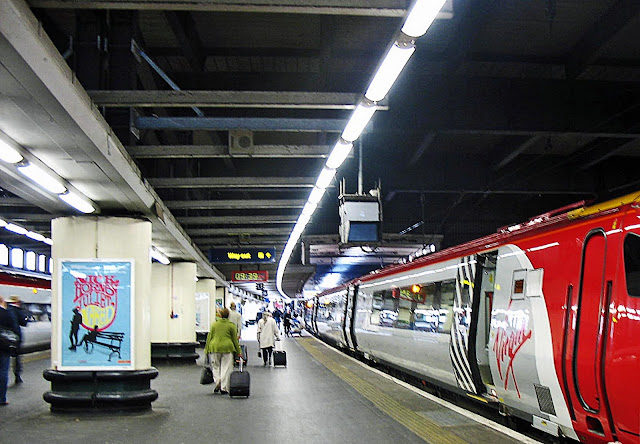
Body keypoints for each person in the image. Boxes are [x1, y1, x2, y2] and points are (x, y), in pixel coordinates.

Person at [204, 308, 241, 395]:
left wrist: (206, 349)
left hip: (214, 347)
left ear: (220, 315)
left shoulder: (214, 325)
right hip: (227, 348)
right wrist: (238, 352)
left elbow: (209, 337)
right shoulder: (231, 326)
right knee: (226, 367)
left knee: (215, 366)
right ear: (228, 315)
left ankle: (217, 381)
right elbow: (234, 340)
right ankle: (223, 387)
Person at [0, 296, 19, 406]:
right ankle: (2, 398)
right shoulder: (6, 313)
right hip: (4, 345)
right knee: (3, 371)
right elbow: (14, 327)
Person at [7, 296, 27, 384]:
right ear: (17, 302)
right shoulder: (18, 310)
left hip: (4, 338)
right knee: (17, 357)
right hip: (15, 337)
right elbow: (24, 323)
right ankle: (17, 376)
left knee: (4, 357)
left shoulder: (5, 309)